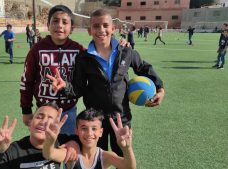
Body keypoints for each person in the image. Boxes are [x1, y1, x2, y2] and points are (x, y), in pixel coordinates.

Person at [47, 9, 165, 156]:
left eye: (105, 25)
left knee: (123, 159)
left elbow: (143, 68)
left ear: (113, 29)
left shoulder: (126, 52)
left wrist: (160, 88)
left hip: (121, 118)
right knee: (96, 158)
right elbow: (79, 88)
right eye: (96, 26)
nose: (101, 30)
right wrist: (65, 86)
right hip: (95, 121)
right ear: (89, 31)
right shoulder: (83, 58)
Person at [20, 5, 128, 135]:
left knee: (67, 149)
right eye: (55, 21)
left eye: (65, 22)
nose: (60, 25)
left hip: (69, 111)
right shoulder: (36, 50)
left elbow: (100, 54)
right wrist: (26, 110)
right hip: (44, 111)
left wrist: (118, 45)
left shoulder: (79, 51)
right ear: (48, 25)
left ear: (72, 28)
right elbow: (27, 81)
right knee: (41, 149)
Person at [0, 103, 79, 169]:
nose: (43, 121)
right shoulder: (12, 151)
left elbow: (90, 141)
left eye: (50, 119)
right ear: (30, 124)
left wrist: (73, 143)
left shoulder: (61, 142)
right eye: (39, 117)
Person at [43, 108, 136, 169]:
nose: (89, 133)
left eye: (94, 129)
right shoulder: (72, 155)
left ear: (101, 132)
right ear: (77, 131)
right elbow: (49, 154)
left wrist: (126, 148)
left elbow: (129, 167)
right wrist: (50, 141)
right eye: (84, 128)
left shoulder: (105, 157)